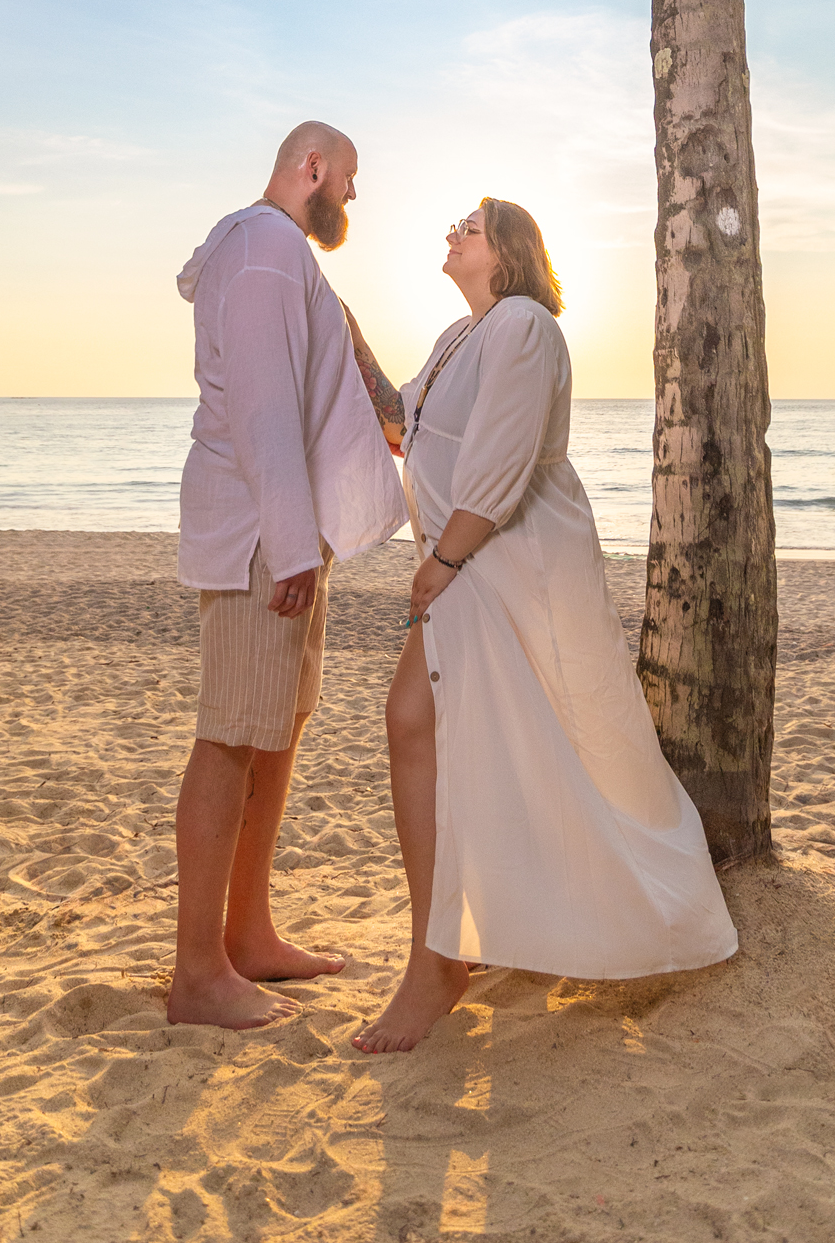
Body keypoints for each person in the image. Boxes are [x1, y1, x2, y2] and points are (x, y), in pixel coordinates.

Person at [353, 198, 739, 1055]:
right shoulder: (462, 337)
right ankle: (456, 945)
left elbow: (502, 456)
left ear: (510, 253)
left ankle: (438, 962)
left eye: (471, 227)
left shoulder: (525, 325)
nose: (452, 232)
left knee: (537, 735)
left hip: (511, 564)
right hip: (474, 563)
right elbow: (397, 421)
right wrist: (340, 322)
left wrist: (443, 562)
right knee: (454, 733)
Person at [169, 121, 406, 1030]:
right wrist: (295, 546)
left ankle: (249, 934)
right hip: (266, 536)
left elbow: (332, 388)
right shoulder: (267, 248)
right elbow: (263, 403)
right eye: (347, 178)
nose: (352, 196)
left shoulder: (272, 249)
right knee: (231, 734)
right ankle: (198, 973)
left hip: (285, 525)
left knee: (274, 728)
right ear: (311, 168)